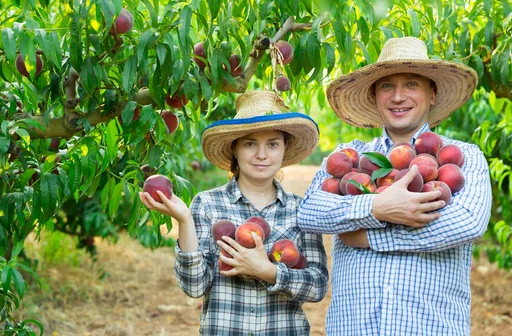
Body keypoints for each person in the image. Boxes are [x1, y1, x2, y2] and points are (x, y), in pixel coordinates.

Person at [297, 37, 492, 335]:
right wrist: (377, 207)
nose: (398, 96)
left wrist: (370, 237)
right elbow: (310, 212)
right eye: (387, 86)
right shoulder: (351, 157)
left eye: (412, 84)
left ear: (433, 94)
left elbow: (467, 223)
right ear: (375, 96)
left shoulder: (462, 159)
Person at [140, 90, 328, 335]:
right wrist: (184, 220)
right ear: (235, 149)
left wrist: (268, 271)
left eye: (272, 144)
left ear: (284, 148)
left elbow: (318, 286)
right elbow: (194, 287)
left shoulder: (301, 210)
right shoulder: (208, 204)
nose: (262, 154)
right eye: (250, 144)